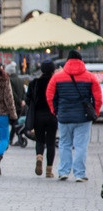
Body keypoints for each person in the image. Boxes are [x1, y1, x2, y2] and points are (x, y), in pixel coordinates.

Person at [46, 50, 102, 182]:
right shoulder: (90, 77)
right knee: (81, 145)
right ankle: (79, 174)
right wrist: (95, 112)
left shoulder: (57, 77)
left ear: (67, 61)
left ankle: (64, 171)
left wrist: (55, 111)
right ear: (81, 60)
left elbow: (50, 96)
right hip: (83, 117)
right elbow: (98, 97)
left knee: (65, 144)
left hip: (64, 116)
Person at [25, 61, 58, 178]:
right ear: (53, 70)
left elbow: (28, 99)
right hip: (52, 115)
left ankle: (39, 157)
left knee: (39, 140)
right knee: (50, 142)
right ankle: (49, 170)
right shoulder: (55, 83)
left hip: (38, 116)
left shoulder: (34, 83)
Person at [5, 61, 26, 146]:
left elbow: (12, 94)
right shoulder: (20, 79)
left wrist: (19, 101)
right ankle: (16, 139)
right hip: (21, 105)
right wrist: (23, 100)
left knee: (14, 123)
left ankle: (13, 139)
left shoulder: (9, 80)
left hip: (14, 105)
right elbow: (24, 92)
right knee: (15, 122)